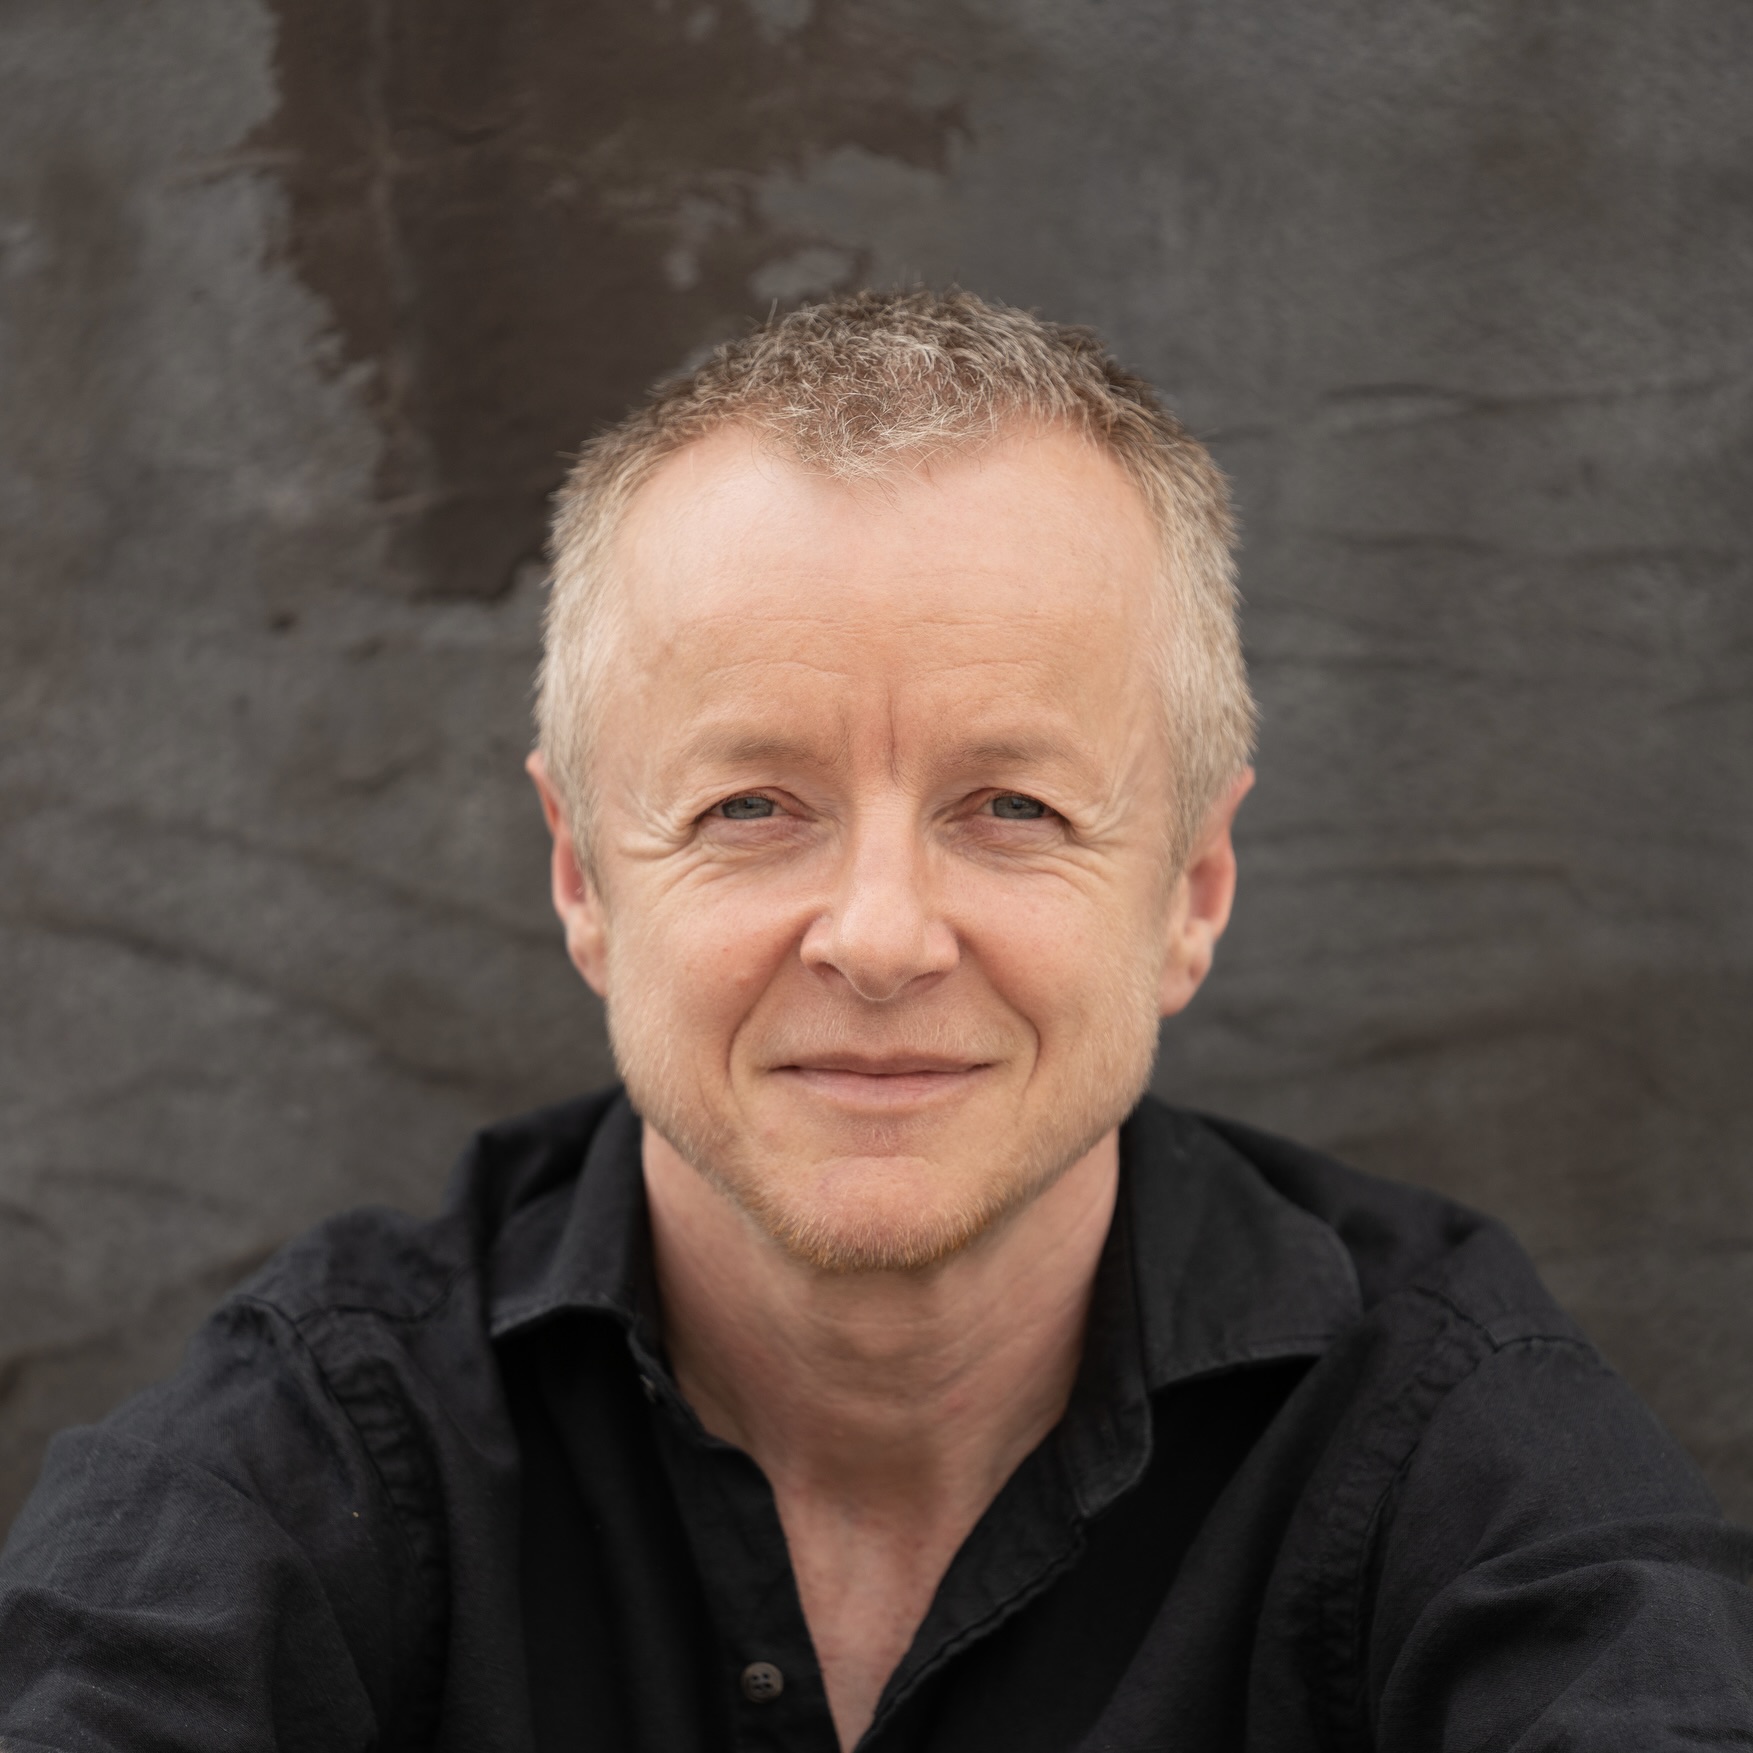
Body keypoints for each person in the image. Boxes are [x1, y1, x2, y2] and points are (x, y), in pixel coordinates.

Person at [0, 289, 1748, 1753]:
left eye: (1014, 807)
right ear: (585, 875)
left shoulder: (1448, 1434)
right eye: (754, 805)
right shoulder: (327, 1439)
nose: (885, 936)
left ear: (1193, 889)